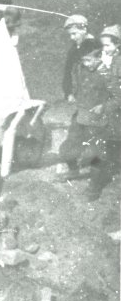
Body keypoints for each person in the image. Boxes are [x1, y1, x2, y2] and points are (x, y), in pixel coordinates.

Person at [59, 35, 120, 200]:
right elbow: (78, 83)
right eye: (84, 60)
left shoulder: (107, 73)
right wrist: (73, 94)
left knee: (96, 154)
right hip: (81, 115)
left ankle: (94, 187)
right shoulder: (83, 68)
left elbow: (118, 97)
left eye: (89, 60)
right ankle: (73, 171)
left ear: (99, 57)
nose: (86, 63)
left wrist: (103, 107)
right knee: (67, 148)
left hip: (99, 120)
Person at [0, 0, 30, 102]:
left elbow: (14, 12)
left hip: (8, 58)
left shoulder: (5, 23)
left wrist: (0, 6)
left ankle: (16, 102)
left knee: (11, 80)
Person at [61, 14, 94, 102]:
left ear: (84, 30)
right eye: (70, 34)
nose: (72, 37)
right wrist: (69, 93)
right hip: (78, 96)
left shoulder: (96, 46)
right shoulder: (73, 50)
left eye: (74, 34)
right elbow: (67, 72)